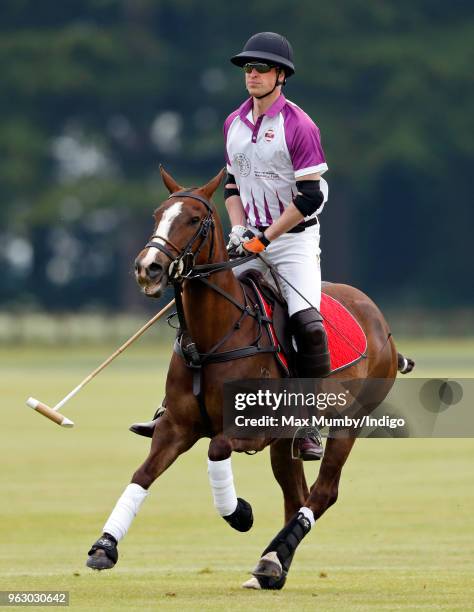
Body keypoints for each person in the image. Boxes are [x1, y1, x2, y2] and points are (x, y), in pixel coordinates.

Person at [130, 32, 330, 460]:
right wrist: (239, 229)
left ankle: (309, 422)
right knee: (199, 306)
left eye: (260, 68)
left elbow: (310, 196)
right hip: (249, 239)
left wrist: (266, 236)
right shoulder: (233, 124)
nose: (251, 75)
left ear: (280, 75)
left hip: (292, 243)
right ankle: (171, 407)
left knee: (308, 325)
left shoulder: (299, 125)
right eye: (247, 69)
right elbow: (234, 185)